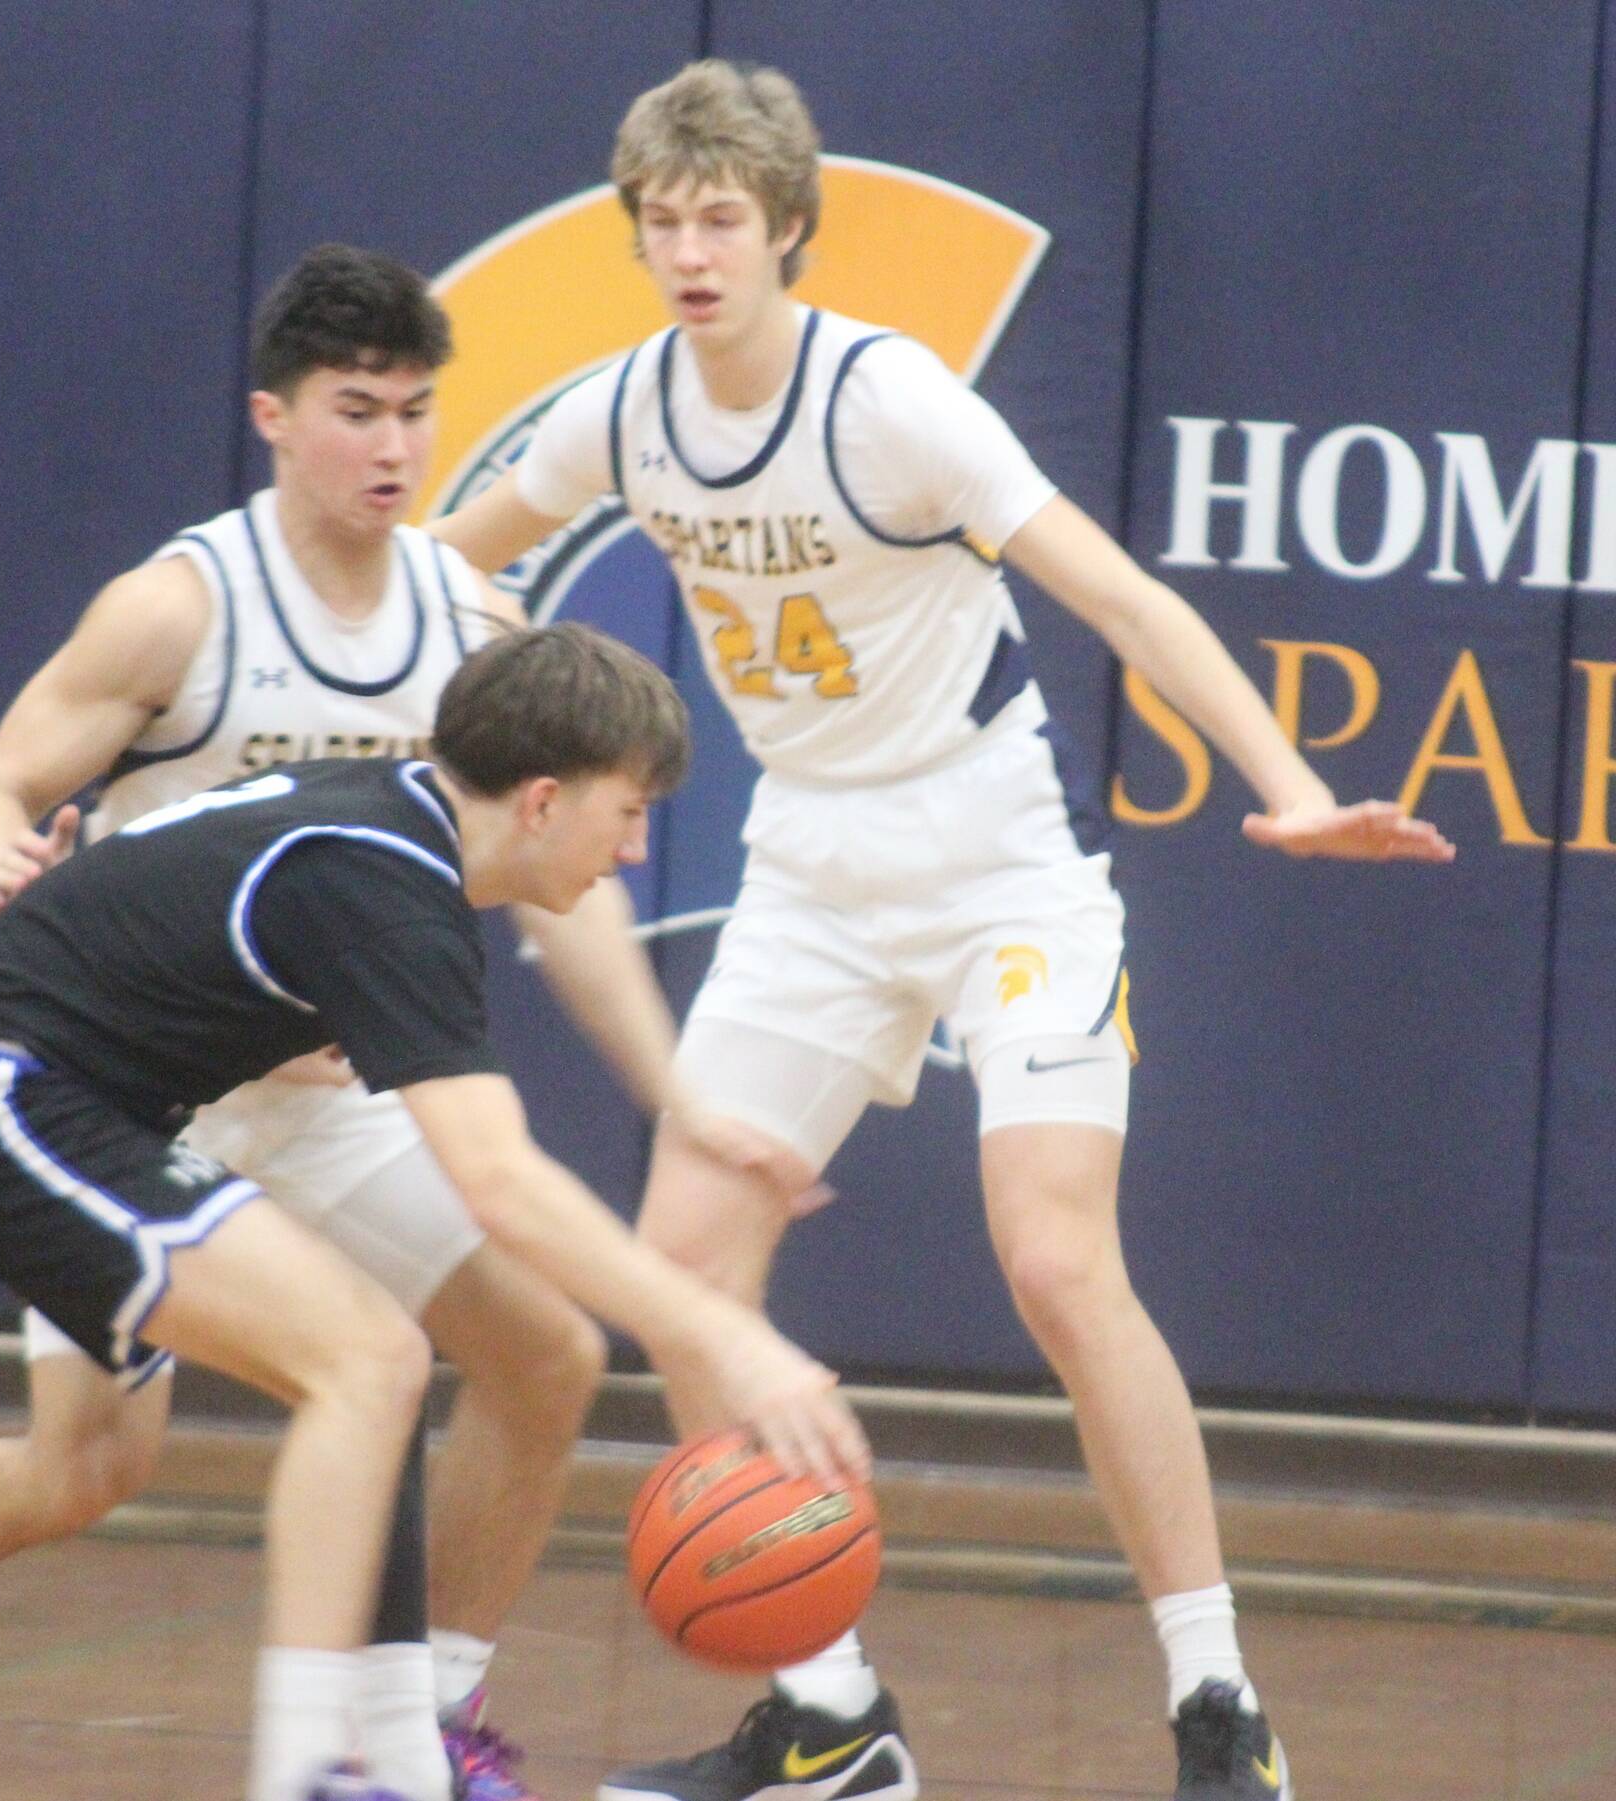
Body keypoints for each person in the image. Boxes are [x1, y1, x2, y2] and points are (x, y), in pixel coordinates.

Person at [430, 60, 1455, 1801]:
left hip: (998, 863)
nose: (690, 250)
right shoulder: (619, 414)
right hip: (813, 871)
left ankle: (1219, 1702)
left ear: (789, 234)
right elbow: (455, 557)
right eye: (662, 221)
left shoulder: (892, 404)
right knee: (681, 1278)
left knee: (1057, 1261)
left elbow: (1120, 593)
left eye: (721, 220)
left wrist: (1284, 780)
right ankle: (831, 1718)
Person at [0, 247, 796, 1798]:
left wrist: (674, 1089)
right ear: (276, 417)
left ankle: (409, 1734)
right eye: (356, 411)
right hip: (122, 1084)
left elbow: (560, 878)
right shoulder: (180, 604)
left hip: (325, 1079)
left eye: (417, 415)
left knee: (529, 1356)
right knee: (94, 1465)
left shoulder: (470, 620)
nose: (392, 447)